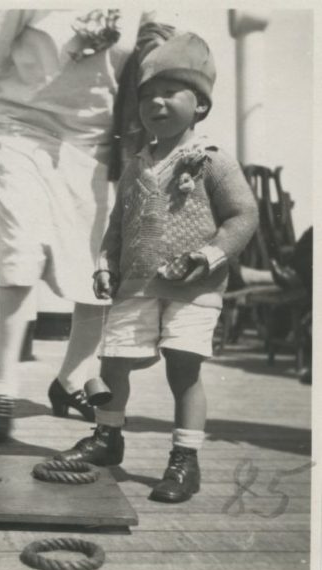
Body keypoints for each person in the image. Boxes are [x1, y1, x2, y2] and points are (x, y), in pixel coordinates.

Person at [0, 10, 175, 438]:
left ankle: (71, 379)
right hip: (18, 127)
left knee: (97, 267)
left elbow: (165, 59)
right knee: (24, 244)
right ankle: (2, 386)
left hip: (90, 143)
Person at [55, 33, 259, 503]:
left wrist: (210, 256)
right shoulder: (135, 165)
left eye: (170, 93)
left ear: (201, 106)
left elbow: (243, 215)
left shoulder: (211, 161)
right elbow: (118, 225)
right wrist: (107, 263)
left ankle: (184, 460)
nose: (156, 103)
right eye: (147, 96)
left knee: (183, 370)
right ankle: (107, 439)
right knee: (114, 363)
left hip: (194, 286)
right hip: (136, 284)